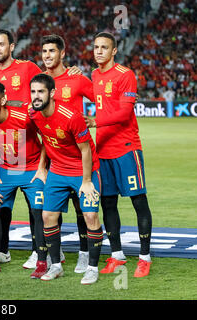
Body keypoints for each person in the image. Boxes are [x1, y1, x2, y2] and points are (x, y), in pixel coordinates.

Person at [84, 32, 152, 278]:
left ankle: (144, 257)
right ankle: (117, 255)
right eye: (96, 47)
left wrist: (95, 121)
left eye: (104, 47)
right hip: (103, 151)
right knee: (108, 203)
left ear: (114, 51)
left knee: (138, 201)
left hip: (126, 149)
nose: (98, 51)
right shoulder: (93, 75)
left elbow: (123, 115)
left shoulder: (126, 75)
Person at [29, 73, 103, 285]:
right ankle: (56, 266)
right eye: (33, 91)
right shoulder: (35, 114)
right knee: (47, 216)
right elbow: (45, 139)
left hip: (83, 169)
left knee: (90, 217)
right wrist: (42, 166)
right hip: (58, 171)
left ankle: (92, 268)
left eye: (41, 91)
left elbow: (86, 150)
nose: (36, 96)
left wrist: (87, 181)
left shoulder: (71, 116)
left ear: (52, 93)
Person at [0, 81, 48, 277]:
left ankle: (42, 261)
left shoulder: (25, 115)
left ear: (3, 99)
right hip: (8, 170)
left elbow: (46, 136)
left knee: (38, 212)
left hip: (32, 169)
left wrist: (42, 167)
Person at [0, 29, 42, 266]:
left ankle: (40, 250)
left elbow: (47, 84)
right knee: (1, 206)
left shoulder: (28, 67)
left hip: (28, 138)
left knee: (36, 206)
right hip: (6, 148)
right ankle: (2, 250)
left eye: (2, 44)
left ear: (12, 46)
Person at [41, 34, 95, 273]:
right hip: (55, 154)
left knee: (81, 209)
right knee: (53, 209)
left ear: (62, 53)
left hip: (79, 154)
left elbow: (102, 101)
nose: (47, 56)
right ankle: (57, 254)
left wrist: (96, 119)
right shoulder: (40, 82)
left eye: (52, 51)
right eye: (44, 52)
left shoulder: (77, 79)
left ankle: (85, 253)